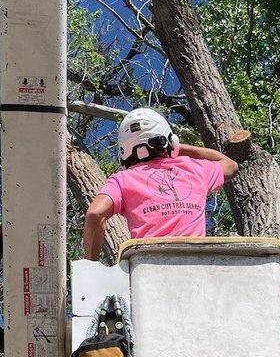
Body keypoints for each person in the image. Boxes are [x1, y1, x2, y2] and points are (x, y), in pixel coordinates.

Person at [83, 107, 239, 261]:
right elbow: (230, 165)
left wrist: (91, 265)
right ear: (169, 140)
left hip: (149, 268)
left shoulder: (123, 179)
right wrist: (177, 147)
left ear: (124, 151)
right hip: (196, 264)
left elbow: (95, 213)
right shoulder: (194, 168)